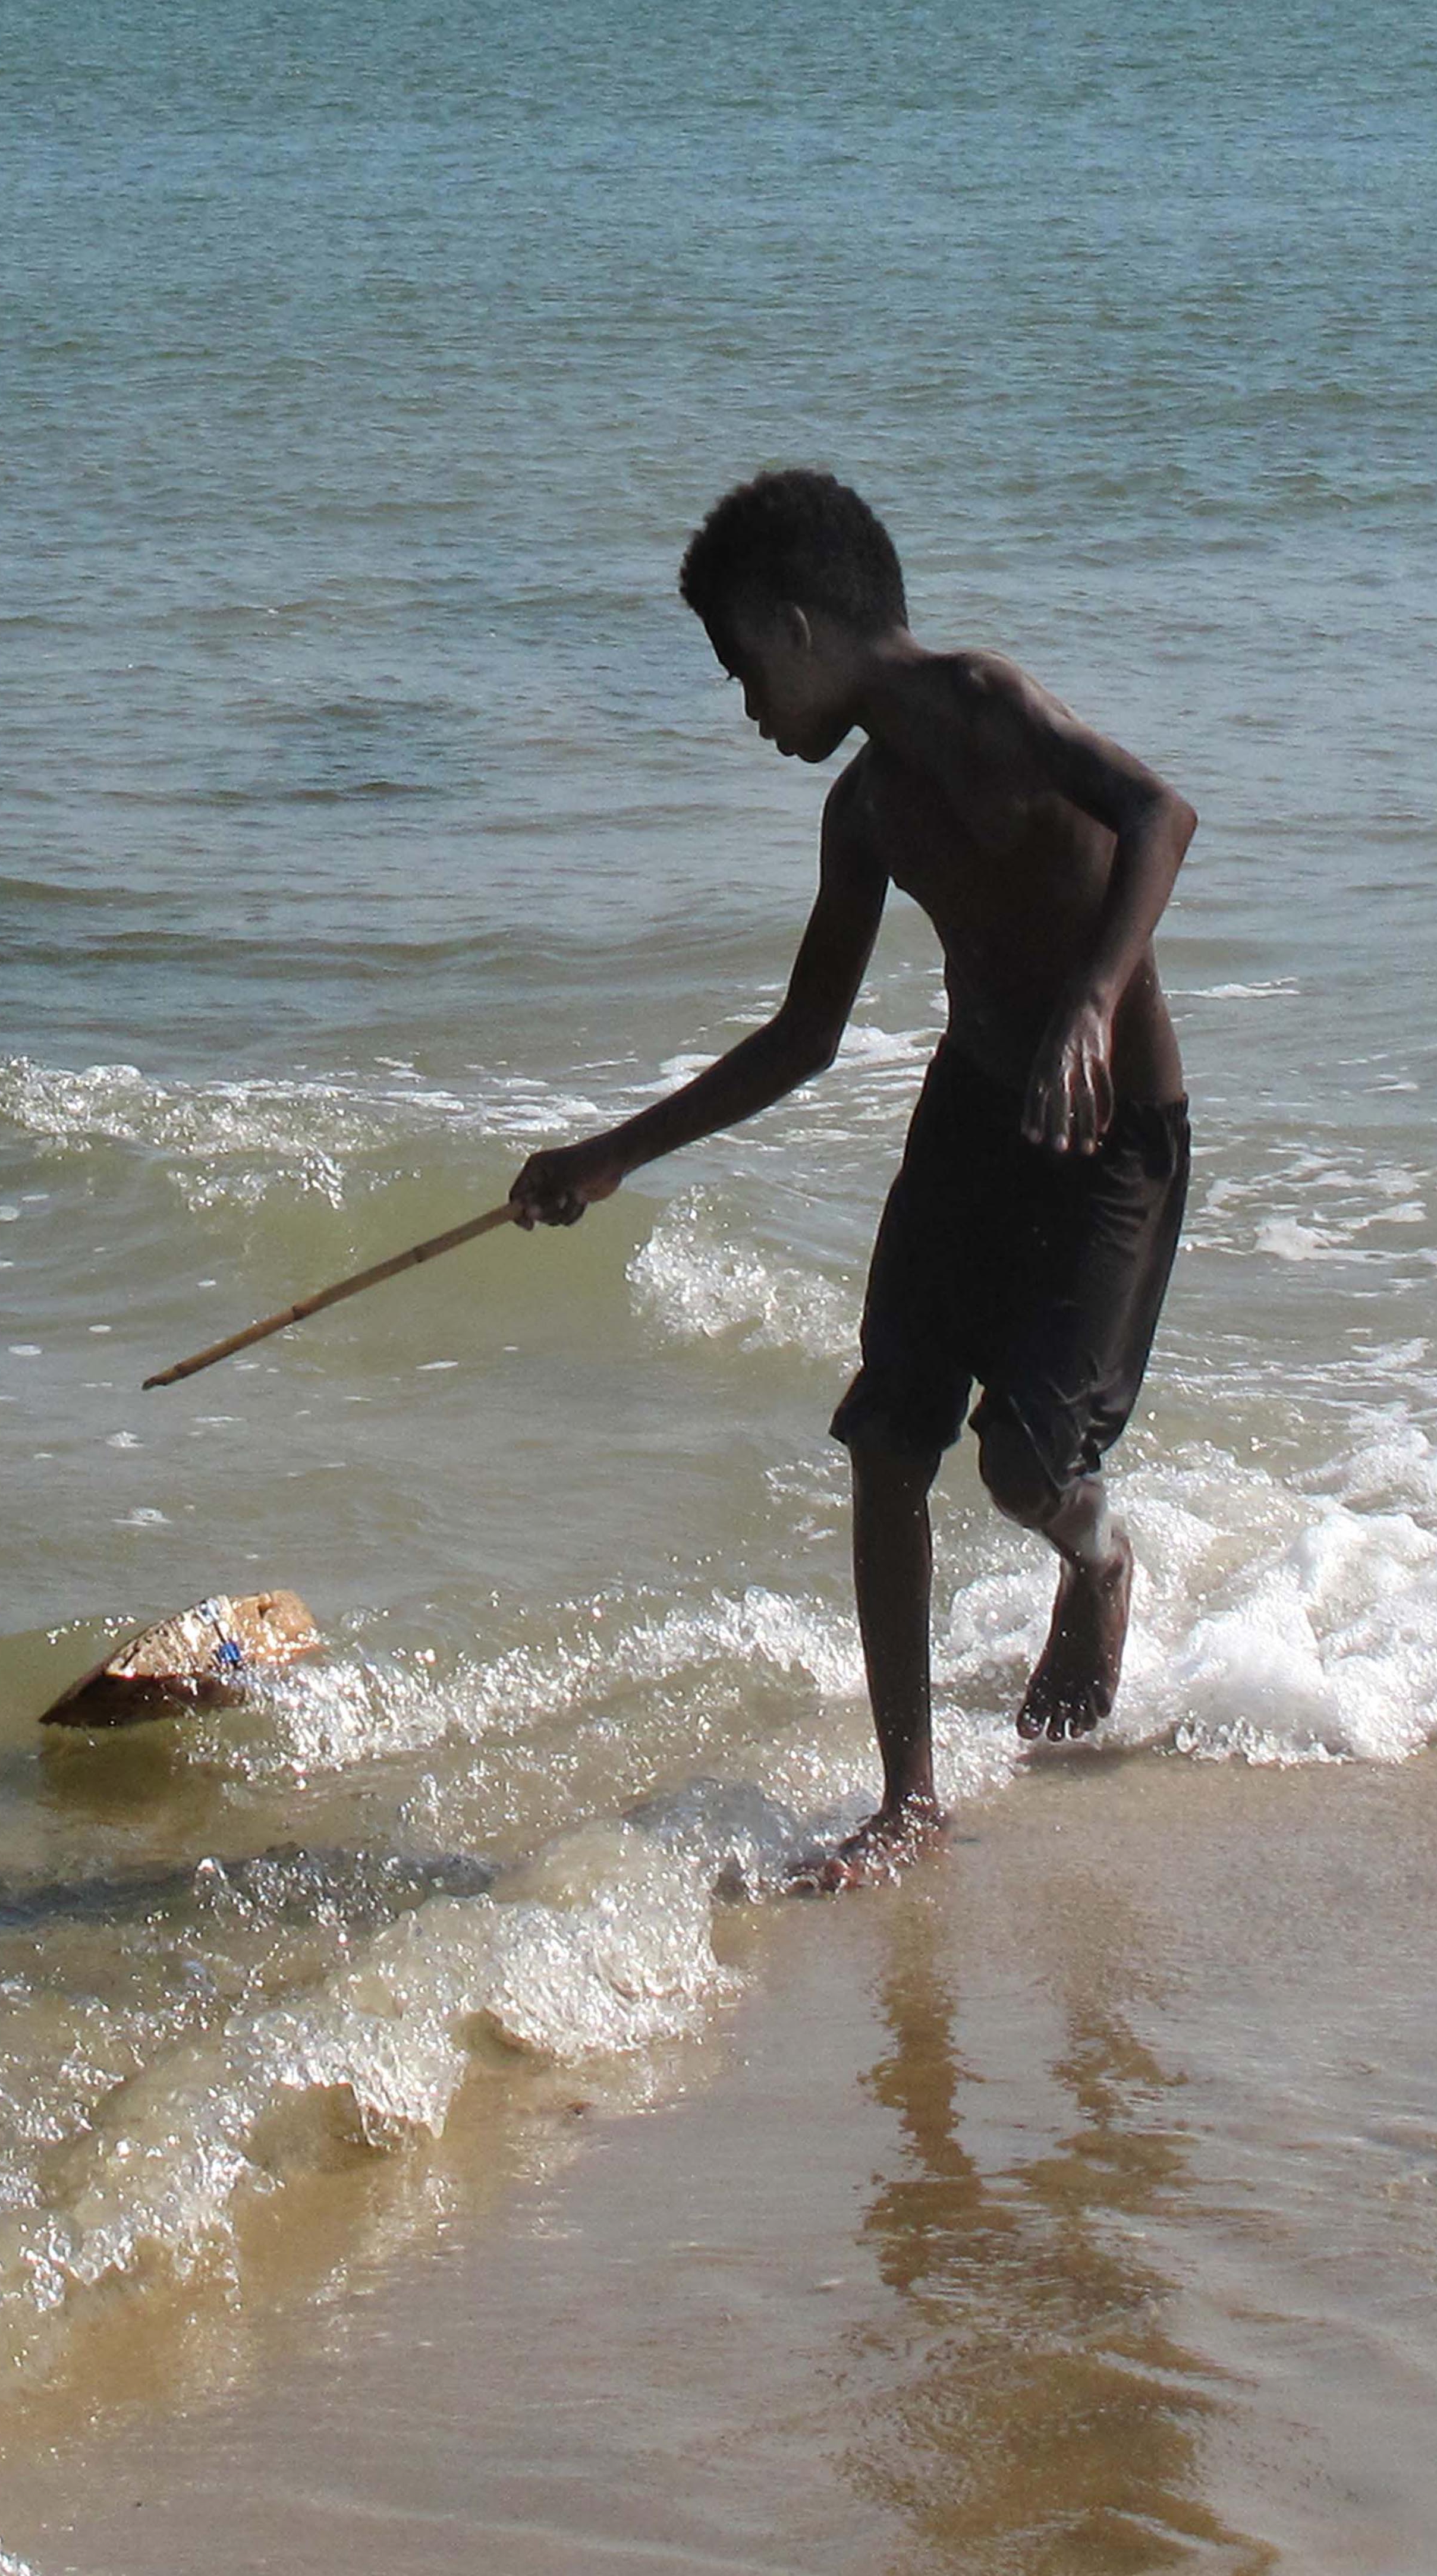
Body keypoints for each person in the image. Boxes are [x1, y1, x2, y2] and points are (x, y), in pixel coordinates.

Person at [511, 469, 1195, 1886]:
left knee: (1024, 1465)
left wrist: (1090, 1000)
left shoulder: (987, 705)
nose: (748, 710)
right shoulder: (866, 810)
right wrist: (610, 1155)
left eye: (740, 668)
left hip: (1111, 1124)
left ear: (797, 625)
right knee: (889, 1440)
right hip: (971, 1114)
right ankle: (908, 1801)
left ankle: (1096, 1556)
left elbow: (1158, 814)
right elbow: (805, 1036)